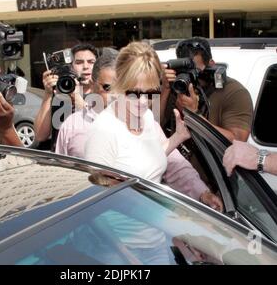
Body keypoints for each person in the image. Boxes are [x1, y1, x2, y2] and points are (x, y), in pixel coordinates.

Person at [84, 41, 223, 211]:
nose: (143, 102)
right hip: (123, 234)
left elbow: (164, 161)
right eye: (134, 93)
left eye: (150, 93)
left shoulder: (147, 117)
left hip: (155, 228)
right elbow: (99, 202)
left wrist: (203, 193)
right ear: (119, 84)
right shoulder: (103, 130)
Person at [162, 36, 253, 142]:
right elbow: (151, 126)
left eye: (195, 72)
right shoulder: (176, 85)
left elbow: (238, 141)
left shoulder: (234, 92)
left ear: (211, 65)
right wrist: (165, 89)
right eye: (184, 71)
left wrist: (194, 114)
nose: (190, 78)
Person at [34, 43, 98, 150]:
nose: (86, 66)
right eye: (79, 62)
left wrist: (77, 97)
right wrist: (48, 94)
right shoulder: (60, 93)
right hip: (60, 162)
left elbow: (98, 129)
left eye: (91, 62)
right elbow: (40, 136)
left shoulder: (103, 94)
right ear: (71, 66)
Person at [55, 52, 117, 158]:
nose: (116, 95)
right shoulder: (71, 125)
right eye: (108, 88)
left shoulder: (142, 123)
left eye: (123, 87)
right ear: (93, 84)